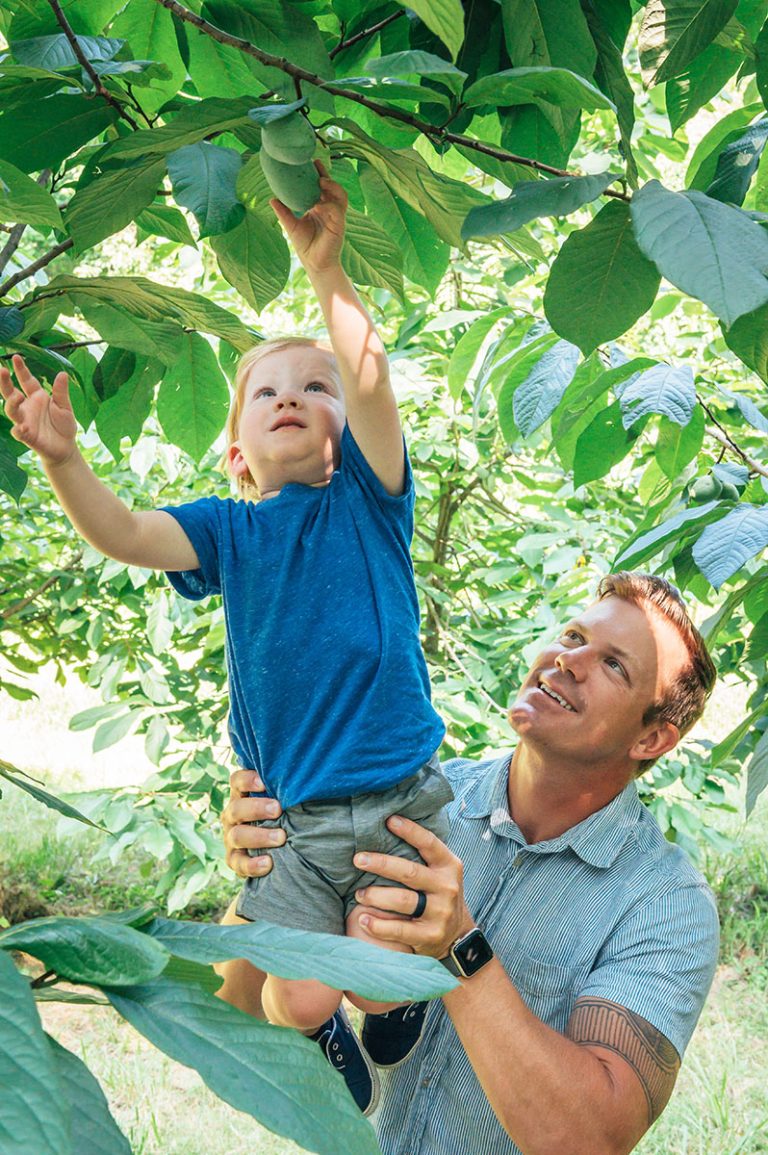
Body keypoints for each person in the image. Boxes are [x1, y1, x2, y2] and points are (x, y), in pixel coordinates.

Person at [0, 167, 452, 1092]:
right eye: (267, 391)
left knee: (381, 956)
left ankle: (398, 999)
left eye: (314, 385)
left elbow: (372, 378)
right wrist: (64, 459)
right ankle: (319, 1039)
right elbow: (125, 533)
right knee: (304, 999)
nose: (293, 394)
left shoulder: (369, 505)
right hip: (291, 818)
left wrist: (327, 272)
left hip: (399, 794)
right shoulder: (228, 531)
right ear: (239, 453)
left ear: (346, 425)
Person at [222, 572, 721, 1154]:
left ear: (653, 740)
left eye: (614, 665)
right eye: (573, 635)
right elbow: (233, 1008)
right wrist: (269, 871)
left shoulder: (667, 904)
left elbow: (591, 1141)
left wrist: (459, 949)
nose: (568, 659)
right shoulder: (409, 798)